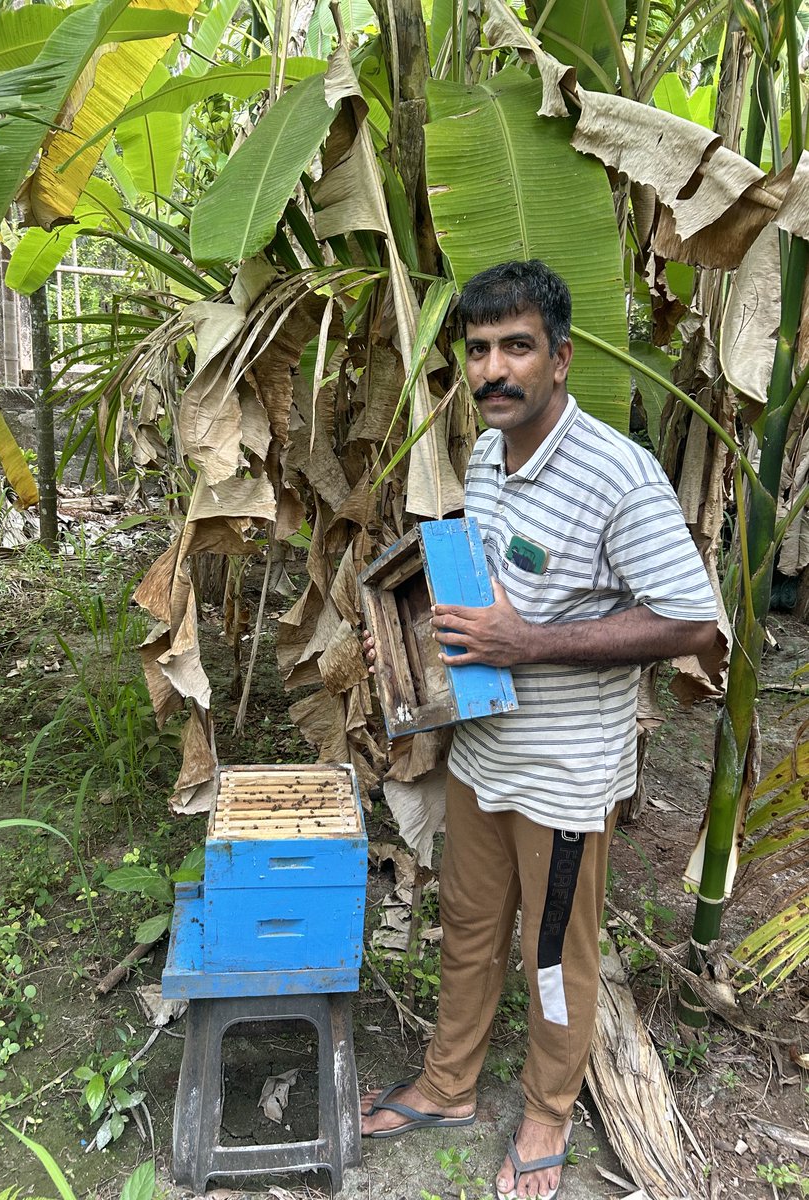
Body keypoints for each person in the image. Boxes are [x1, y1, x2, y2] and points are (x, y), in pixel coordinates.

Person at [360, 260, 718, 1200]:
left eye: (516, 347)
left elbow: (691, 620)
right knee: (469, 930)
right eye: (478, 350)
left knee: (554, 953)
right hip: (485, 753)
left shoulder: (617, 473)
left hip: (565, 773)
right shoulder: (486, 456)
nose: (493, 369)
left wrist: (530, 640)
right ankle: (448, 1085)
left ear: (559, 359)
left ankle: (548, 1110)